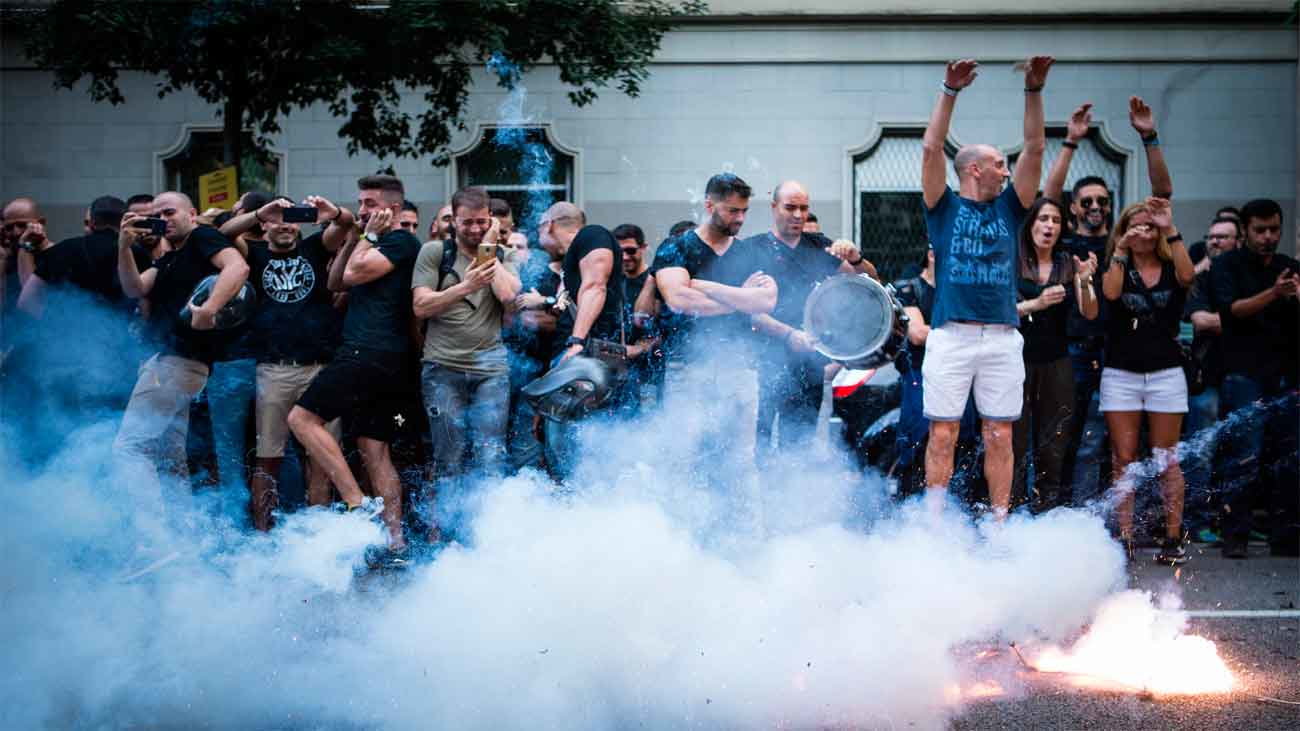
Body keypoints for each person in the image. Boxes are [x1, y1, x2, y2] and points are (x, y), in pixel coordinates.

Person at [918, 55, 1054, 519]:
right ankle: (933, 526)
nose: (1007, 170)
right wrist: (949, 90)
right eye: (999, 164)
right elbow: (931, 149)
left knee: (1000, 433)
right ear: (975, 169)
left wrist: (1033, 90)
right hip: (951, 335)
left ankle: (999, 525)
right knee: (943, 433)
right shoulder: (943, 207)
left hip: (1000, 336)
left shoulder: (1011, 210)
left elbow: (1035, 150)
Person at [1044, 97, 1173, 508]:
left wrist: (1149, 137)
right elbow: (1047, 196)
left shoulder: (1125, 240)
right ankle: (1071, 514)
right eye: (1087, 202)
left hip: (1118, 354)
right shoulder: (1065, 240)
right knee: (1068, 437)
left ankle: (1112, 520)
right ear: (1074, 207)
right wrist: (1069, 143)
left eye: (1103, 201)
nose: (1096, 207)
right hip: (1073, 350)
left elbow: (1162, 196)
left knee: (1113, 444)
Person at [288, 174, 421, 565]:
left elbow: (352, 275)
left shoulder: (400, 241)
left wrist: (364, 236)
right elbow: (334, 282)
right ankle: (395, 545)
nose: (362, 210)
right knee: (372, 448)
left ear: (392, 209)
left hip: (369, 352)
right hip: (378, 356)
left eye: (369, 203)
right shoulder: (371, 239)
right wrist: (349, 230)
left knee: (302, 419)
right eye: (359, 203)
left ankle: (354, 500)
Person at [220, 194, 347, 530]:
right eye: (277, 218)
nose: (285, 224)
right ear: (265, 224)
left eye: (291, 217)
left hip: (320, 368)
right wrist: (261, 211)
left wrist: (331, 211)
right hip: (273, 369)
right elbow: (223, 233)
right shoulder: (255, 254)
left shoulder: (315, 248)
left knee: (322, 458)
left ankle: (317, 535)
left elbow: (346, 225)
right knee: (268, 458)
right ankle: (264, 536)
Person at [113, 191, 251, 501]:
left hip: (177, 363)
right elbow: (134, 287)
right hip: (178, 365)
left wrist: (210, 308)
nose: (163, 220)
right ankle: (182, 534)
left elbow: (238, 268)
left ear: (192, 213)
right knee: (168, 454)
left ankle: (153, 541)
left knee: (131, 448)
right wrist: (123, 246)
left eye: (169, 212)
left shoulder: (201, 237)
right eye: (157, 215)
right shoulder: (170, 257)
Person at [411, 186, 521, 535]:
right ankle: (445, 534)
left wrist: (489, 251)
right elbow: (421, 306)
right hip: (442, 369)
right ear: (452, 221)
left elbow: (508, 297)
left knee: (490, 457)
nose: (474, 229)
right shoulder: (433, 253)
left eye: (481, 222)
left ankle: (488, 536)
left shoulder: (503, 254)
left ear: (491, 220)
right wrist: (465, 286)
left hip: (491, 371)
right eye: (467, 222)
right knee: (450, 457)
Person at [652, 173, 777, 481]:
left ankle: (745, 530)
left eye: (745, 211)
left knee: (741, 462)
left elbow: (766, 301)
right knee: (684, 458)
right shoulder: (676, 247)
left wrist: (706, 287)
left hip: (739, 369)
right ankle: (681, 530)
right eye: (733, 210)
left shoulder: (750, 252)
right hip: (688, 367)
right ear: (709, 205)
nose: (740, 218)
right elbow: (679, 299)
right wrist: (741, 297)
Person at [748, 180, 876, 459]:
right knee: (762, 437)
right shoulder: (753, 249)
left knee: (802, 440)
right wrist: (788, 334)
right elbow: (749, 310)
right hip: (766, 359)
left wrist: (855, 258)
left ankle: (795, 495)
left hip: (811, 362)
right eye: (790, 207)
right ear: (774, 208)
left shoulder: (819, 246)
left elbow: (869, 283)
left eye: (803, 208)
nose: (797, 215)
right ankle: (762, 498)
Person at [1100, 198, 1195, 565]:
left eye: (1149, 226)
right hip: (1121, 372)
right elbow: (1110, 293)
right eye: (1135, 225)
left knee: (1167, 458)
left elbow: (1189, 278)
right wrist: (1121, 248)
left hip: (1166, 372)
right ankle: (1125, 537)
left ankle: (1172, 538)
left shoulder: (1171, 265)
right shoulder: (1118, 263)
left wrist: (1170, 228)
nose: (1143, 232)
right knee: (1122, 457)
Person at [1211, 198, 1299, 558]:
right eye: (1260, 230)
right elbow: (1233, 311)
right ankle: (1236, 535)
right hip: (1243, 373)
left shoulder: (1289, 267)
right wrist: (1275, 293)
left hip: (1285, 374)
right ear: (1245, 230)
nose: (1267, 237)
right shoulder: (1228, 265)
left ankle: (1287, 535)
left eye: (1273, 230)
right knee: (1244, 455)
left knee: (1288, 456)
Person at [1011, 198, 1099, 513]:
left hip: (1057, 361)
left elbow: (1090, 312)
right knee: (1015, 443)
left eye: (1056, 220)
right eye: (1043, 218)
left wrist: (1086, 280)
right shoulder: (1013, 261)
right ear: (1031, 223)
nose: (1049, 225)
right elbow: (996, 312)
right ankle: (1013, 511)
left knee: (1054, 442)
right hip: (1014, 361)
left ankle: (1047, 511)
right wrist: (1036, 304)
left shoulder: (1067, 263)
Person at [538, 202, 627, 480]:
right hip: (582, 362)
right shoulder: (573, 258)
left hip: (587, 360)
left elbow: (595, 286)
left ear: (549, 225)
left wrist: (576, 342)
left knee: (572, 454)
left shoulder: (592, 235)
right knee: (565, 448)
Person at [1181, 215, 1241, 543]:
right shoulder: (1201, 277)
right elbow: (1200, 319)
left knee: (1242, 450)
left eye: (1224, 237)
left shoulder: (1244, 274)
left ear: (1238, 241)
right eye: (1212, 236)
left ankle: (1236, 522)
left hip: (1247, 372)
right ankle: (1197, 520)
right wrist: (1244, 316)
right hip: (1208, 377)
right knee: (1201, 450)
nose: (1215, 242)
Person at [612, 223, 661, 413]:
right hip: (619, 372)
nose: (624, 257)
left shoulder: (656, 279)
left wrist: (642, 348)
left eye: (630, 250)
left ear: (644, 248)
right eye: (619, 251)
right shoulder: (613, 282)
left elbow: (668, 323)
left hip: (650, 370)